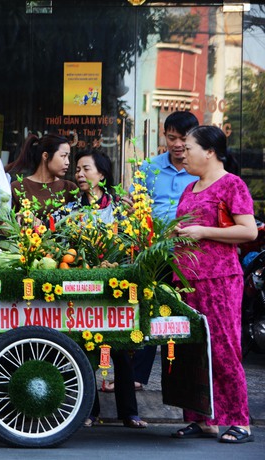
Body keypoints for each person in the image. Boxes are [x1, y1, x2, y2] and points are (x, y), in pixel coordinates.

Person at [171, 125, 257, 443]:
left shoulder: (231, 185)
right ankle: (201, 418)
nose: (183, 152)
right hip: (186, 280)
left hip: (219, 279)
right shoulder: (189, 188)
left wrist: (203, 232)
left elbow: (248, 231)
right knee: (190, 350)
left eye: (189, 147)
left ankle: (238, 420)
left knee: (222, 348)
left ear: (209, 151)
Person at [55, 148, 147, 429]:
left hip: (115, 287)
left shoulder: (120, 208)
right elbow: (52, 237)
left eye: (86, 169)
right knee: (85, 348)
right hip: (81, 288)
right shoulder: (69, 209)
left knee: (120, 350)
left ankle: (129, 413)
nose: (79, 175)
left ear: (102, 174)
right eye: (78, 170)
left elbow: (137, 242)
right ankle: (90, 411)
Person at [121, 111, 200, 392]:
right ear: (163, 136)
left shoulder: (201, 169)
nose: (177, 144)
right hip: (154, 252)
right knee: (150, 308)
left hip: (190, 254)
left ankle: (189, 381)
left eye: (183, 138)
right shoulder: (149, 168)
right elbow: (134, 205)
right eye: (171, 138)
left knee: (184, 314)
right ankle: (138, 377)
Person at [5, 133, 77, 220]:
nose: (67, 162)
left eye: (68, 157)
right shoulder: (18, 187)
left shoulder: (70, 188)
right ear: (45, 156)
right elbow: (5, 223)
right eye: (63, 156)